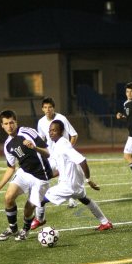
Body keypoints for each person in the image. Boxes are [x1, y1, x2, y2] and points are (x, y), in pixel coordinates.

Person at [24, 119, 113, 232]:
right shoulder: (57, 145)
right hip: (76, 184)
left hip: (68, 186)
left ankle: (40, 219)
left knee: (40, 199)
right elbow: (63, 167)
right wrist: (49, 175)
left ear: (61, 132)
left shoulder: (63, 145)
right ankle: (105, 222)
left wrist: (89, 179)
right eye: (50, 130)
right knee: (85, 200)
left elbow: (82, 160)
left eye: (54, 130)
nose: (51, 132)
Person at [0, 109, 53, 241]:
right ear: (2, 125)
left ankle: (25, 229)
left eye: (11, 122)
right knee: (8, 198)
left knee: (28, 208)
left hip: (41, 176)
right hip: (24, 172)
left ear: (16, 122)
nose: (9, 126)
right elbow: (11, 168)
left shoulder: (28, 132)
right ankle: (13, 229)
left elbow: (47, 153)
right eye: (6, 124)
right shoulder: (7, 144)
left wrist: (34, 147)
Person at [31, 96, 79, 227]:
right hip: (51, 156)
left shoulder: (61, 118)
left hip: (62, 156)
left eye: (50, 107)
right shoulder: (41, 122)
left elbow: (74, 135)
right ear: (42, 109)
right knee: (42, 178)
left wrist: (68, 150)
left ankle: (72, 199)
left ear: (54, 108)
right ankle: (40, 214)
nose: (48, 110)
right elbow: (41, 139)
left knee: (67, 178)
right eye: (45, 107)